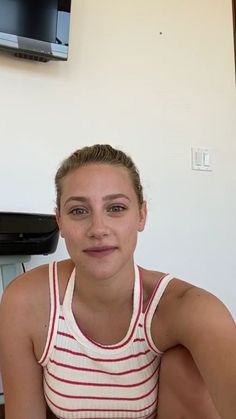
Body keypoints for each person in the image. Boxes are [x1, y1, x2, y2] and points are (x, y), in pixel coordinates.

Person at [0, 144, 235, 419]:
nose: (98, 229)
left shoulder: (188, 308)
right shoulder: (25, 300)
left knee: (184, 362)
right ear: (60, 222)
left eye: (116, 207)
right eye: (78, 211)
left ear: (141, 215)